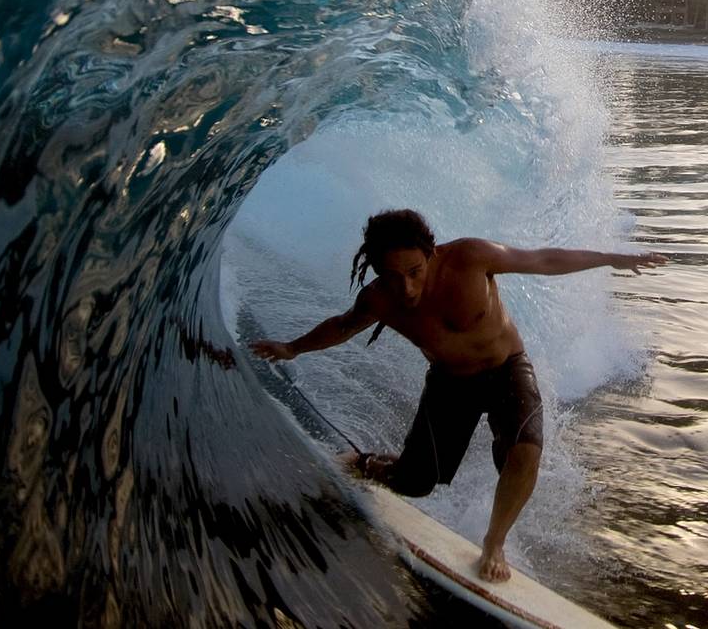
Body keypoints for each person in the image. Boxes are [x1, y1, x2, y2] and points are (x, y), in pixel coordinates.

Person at [252, 208, 667, 582]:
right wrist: (292, 348)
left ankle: (494, 543)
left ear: (431, 253)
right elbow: (342, 327)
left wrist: (612, 258)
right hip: (450, 385)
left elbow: (542, 259)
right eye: (394, 277)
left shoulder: (471, 258)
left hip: (507, 368)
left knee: (525, 448)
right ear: (377, 269)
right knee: (414, 483)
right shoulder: (379, 300)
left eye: (415, 271)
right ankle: (365, 464)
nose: (408, 288)